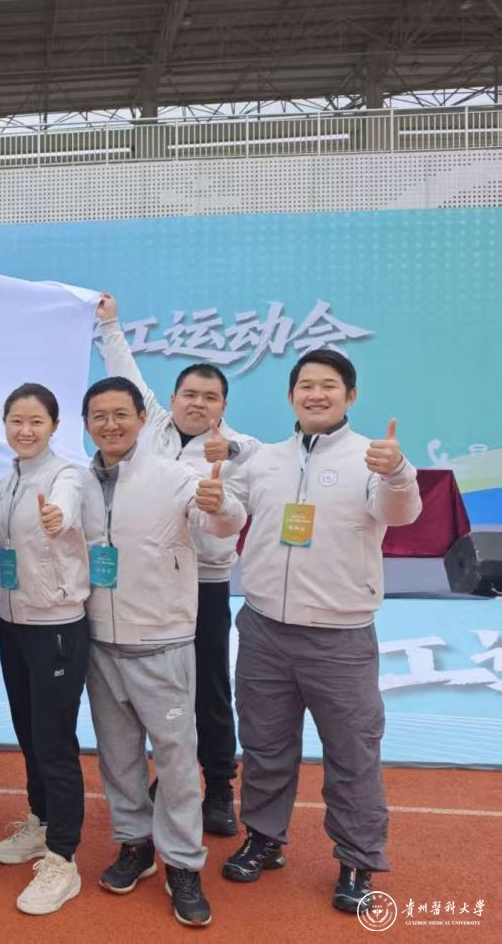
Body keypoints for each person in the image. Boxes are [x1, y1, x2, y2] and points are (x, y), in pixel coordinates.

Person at [220, 349, 421, 915]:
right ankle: (264, 837)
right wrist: (215, 505)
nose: (316, 394)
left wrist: (397, 472)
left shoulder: (372, 458)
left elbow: (401, 513)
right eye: (305, 385)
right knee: (265, 746)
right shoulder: (266, 460)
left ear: (349, 396)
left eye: (328, 385)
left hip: (340, 636)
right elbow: (229, 518)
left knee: (352, 754)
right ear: (290, 396)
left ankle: (357, 859)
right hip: (263, 628)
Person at [80, 376, 246, 929]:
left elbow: (221, 518)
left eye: (120, 414)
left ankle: (183, 863)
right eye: (99, 416)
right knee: (118, 757)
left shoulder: (175, 476)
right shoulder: (79, 483)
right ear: (87, 424)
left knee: (175, 760)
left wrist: (222, 505)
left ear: (141, 419)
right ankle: (135, 843)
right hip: (101, 642)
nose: (110, 424)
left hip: (163, 641)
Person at [94, 294, 259, 835]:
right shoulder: (152, 428)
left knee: (209, 688)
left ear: (223, 405)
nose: (198, 404)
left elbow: (239, 509)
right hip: (144, 584)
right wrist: (110, 323)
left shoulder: (240, 449)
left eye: (210, 397)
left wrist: (225, 487)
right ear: (170, 399)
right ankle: (167, 779)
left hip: (205, 586)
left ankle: (219, 787)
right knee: (154, 693)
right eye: (189, 394)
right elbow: (123, 370)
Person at [0, 383, 90, 915]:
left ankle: (63, 858)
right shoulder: (7, 480)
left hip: (55, 625)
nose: (25, 430)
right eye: (16, 421)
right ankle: (42, 821)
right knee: (28, 733)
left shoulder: (66, 475)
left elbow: (66, 508)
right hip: (12, 623)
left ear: (54, 426)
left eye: (36, 422)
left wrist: (59, 517)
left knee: (54, 741)